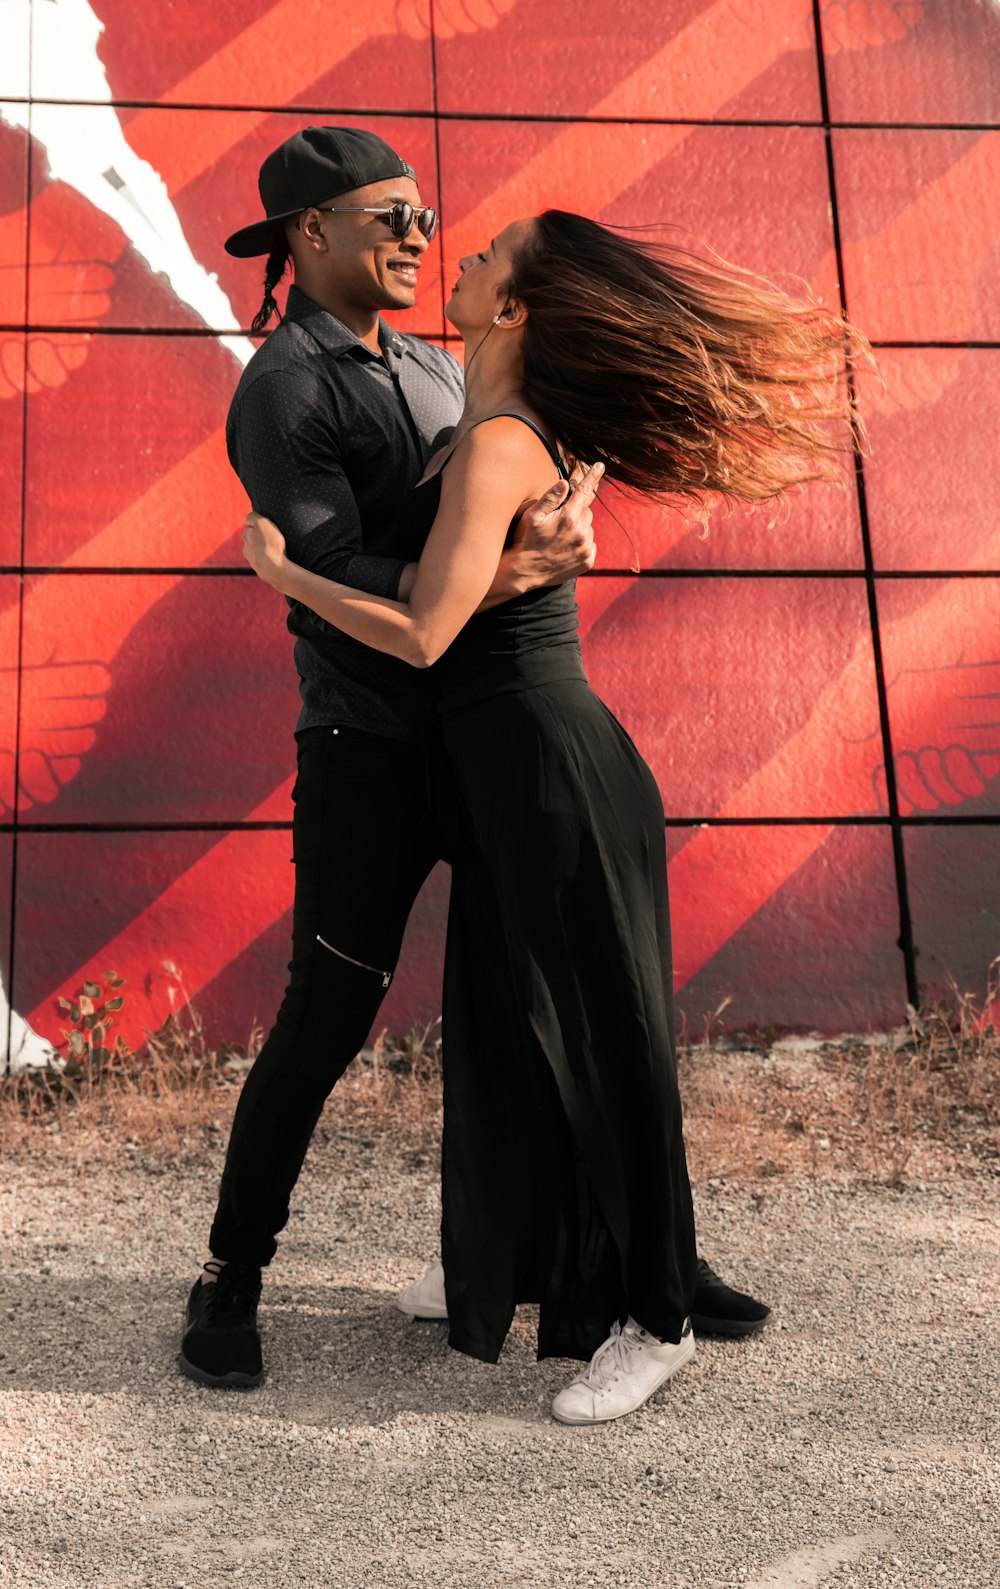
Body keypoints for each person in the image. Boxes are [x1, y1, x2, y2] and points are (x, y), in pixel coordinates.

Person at [240, 208, 864, 1422]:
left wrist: (288, 575)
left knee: (602, 1034)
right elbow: (464, 590)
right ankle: (512, 1259)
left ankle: (656, 1315)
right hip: (509, 772)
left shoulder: (499, 443)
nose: (461, 258)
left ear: (514, 310)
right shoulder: (483, 427)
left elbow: (422, 630)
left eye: (488, 258)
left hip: (550, 769)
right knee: (511, 1029)